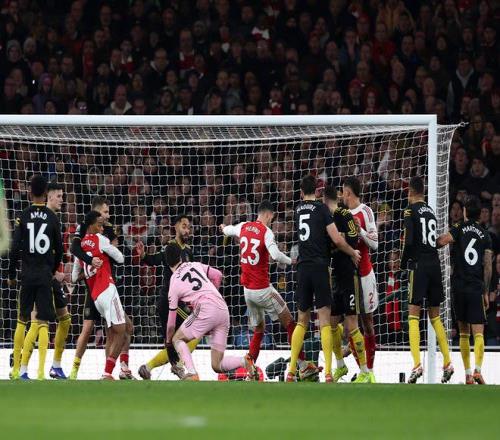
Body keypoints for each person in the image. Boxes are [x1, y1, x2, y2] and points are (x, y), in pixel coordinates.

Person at [220, 200, 320, 380]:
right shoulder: (266, 232)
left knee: (259, 329)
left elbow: (228, 230)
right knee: (290, 323)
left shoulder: (243, 226)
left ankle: (250, 368)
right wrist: (292, 261)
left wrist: (223, 227)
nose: (272, 220)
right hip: (263, 290)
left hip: (247, 292)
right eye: (272, 218)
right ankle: (303, 365)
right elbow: (275, 255)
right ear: (268, 215)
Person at [287, 175, 360, 382]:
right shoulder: (322, 209)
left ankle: (291, 371)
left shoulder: (298, 210)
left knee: (302, 321)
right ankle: (328, 371)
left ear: (301, 192)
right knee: (325, 321)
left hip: (302, 268)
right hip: (320, 267)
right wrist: (352, 252)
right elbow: (337, 239)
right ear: (317, 192)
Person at [164, 244, 257, 381]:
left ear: (167, 262)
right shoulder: (194, 265)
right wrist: (214, 293)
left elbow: (171, 323)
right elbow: (218, 275)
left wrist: (168, 342)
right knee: (217, 365)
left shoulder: (174, 282)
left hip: (205, 309)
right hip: (222, 308)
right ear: (180, 257)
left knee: (177, 339)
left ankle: (192, 373)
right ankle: (244, 361)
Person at [69, 196, 134, 380]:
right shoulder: (90, 231)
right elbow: (120, 257)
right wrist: (97, 259)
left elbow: (73, 276)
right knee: (102, 329)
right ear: (96, 214)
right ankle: (100, 371)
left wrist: (88, 270)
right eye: (105, 212)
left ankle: (117, 369)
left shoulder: (96, 234)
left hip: (98, 289)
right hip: (103, 287)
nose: (107, 216)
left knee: (119, 329)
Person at [8, 175, 63, 380]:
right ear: (46, 193)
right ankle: (40, 373)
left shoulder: (23, 216)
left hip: (27, 275)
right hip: (44, 276)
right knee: (43, 322)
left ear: (30, 192)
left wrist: (11, 274)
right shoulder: (52, 217)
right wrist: (52, 269)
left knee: (22, 321)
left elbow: (15, 248)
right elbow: (60, 249)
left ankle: (16, 370)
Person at [401, 176, 454, 384]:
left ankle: (416, 365)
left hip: (419, 265)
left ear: (411, 192)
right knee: (435, 317)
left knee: (413, 314)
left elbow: (409, 240)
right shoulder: (430, 211)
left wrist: (404, 263)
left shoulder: (410, 210)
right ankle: (448, 362)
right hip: (435, 265)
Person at [437, 196, 493, 384]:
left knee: (463, 333)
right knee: (479, 332)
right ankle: (478, 370)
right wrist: (486, 292)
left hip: (459, 287)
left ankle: (468, 374)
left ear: (465, 212)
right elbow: (488, 266)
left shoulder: (459, 228)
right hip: (476, 287)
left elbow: (441, 241)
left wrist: (429, 241)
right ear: (480, 215)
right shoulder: (486, 235)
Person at [137, 214, 199, 380]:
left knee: (176, 340)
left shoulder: (188, 251)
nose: (187, 230)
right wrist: (144, 256)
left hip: (179, 302)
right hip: (169, 301)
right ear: (176, 227)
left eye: (189, 227)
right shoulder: (170, 247)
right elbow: (155, 260)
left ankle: (148, 367)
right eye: (184, 226)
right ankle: (178, 366)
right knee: (194, 330)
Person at [20, 182, 71, 379]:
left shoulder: (52, 219)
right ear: (48, 197)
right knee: (38, 322)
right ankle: (23, 368)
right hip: (41, 277)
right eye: (59, 196)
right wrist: (53, 273)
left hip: (47, 276)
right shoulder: (47, 219)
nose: (61, 199)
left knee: (64, 320)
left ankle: (55, 366)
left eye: (62, 196)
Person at [323, 186, 370, 383]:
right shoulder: (325, 218)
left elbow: (353, 238)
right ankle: (340, 365)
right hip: (334, 276)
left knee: (352, 324)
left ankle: (365, 371)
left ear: (325, 200)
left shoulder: (345, 215)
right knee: (332, 325)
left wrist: (336, 239)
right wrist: (338, 240)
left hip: (349, 276)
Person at [342, 176, 378, 383]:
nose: (342, 196)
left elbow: (375, 244)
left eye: (343, 192)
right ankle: (361, 370)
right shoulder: (342, 213)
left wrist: (360, 230)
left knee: (368, 323)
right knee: (350, 327)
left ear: (348, 192)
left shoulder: (366, 211)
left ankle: (369, 371)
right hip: (348, 276)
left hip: (364, 274)